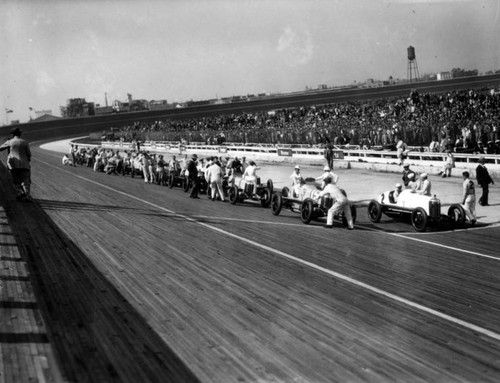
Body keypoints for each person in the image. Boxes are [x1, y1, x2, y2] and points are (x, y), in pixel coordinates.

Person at [0, 127, 32, 201]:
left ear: (12, 134)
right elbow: (29, 154)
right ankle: (27, 195)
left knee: (15, 180)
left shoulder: (10, 142)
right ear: (20, 134)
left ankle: (20, 193)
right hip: (24, 165)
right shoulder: (25, 142)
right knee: (26, 180)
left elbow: (0, 148)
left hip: (13, 165)